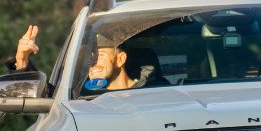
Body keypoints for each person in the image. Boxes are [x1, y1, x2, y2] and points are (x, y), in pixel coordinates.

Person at [10, 24, 154, 91]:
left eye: (100, 55)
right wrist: (22, 60)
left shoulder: (153, 93)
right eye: (90, 57)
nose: (92, 63)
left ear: (120, 59)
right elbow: (45, 96)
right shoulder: (79, 99)